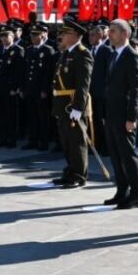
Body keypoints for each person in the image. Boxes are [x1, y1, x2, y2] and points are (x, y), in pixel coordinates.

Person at [102, 19, 138, 209]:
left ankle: (136, 195)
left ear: (125, 34)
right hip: (111, 113)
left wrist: (131, 118)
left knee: (128, 155)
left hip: (124, 115)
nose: (109, 34)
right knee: (115, 154)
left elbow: (136, 90)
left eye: (113, 31)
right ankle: (122, 191)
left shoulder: (132, 56)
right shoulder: (113, 55)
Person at [52, 18, 95, 188]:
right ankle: (70, 171)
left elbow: (83, 85)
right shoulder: (67, 53)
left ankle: (79, 175)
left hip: (73, 104)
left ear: (75, 35)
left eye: (65, 33)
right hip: (62, 105)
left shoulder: (83, 54)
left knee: (77, 142)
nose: (61, 36)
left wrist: (78, 108)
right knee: (66, 141)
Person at [0, 28, 25, 148]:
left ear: (12, 37)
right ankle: (2, 138)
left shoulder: (18, 50)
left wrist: (16, 87)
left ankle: (11, 140)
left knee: (11, 115)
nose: (4, 38)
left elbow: (19, 71)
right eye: (2, 36)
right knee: (0, 114)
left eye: (7, 36)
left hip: (10, 88)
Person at [23, 24, 55, 151]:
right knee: (32, 116)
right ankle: (33, 140)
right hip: (30, 89)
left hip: (41, 90)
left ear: (42, 35)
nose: (33, 37)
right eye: (32, 34)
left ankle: (44, 141)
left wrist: (44, 89)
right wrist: (24, 88)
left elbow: (48, 73)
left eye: (35, 34)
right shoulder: (29, 50)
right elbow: (25, 71)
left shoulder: (48, 50)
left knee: (43, 117)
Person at [88, 24, 112, 158]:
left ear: (100, 35)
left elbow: (108, 73)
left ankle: (106, 147)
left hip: (102, 93)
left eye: (92, 35)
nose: (90, 37)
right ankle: (95, 145)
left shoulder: (106, 50)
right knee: (94, 121)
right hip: (91, 93)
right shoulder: (89, 50)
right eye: (89, 35)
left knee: (103, 121)